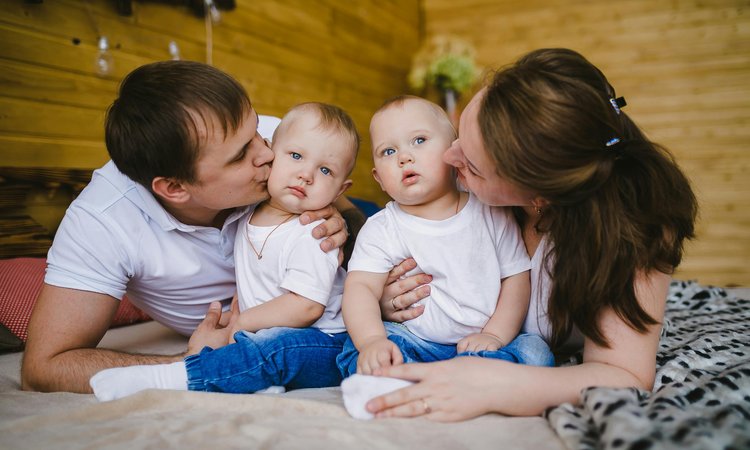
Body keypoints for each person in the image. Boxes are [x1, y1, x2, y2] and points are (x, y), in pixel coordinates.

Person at [364, 48, 698, 421]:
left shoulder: (639, 228)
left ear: (538, 197)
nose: (448, 157)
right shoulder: (465, 187)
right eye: (460, 136)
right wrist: (382, 296)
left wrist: (494, 385)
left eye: (471, 166)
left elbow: (626, 374)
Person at [20, 61, 361, 394]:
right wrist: (196, 361)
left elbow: (352, 214)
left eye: (257, 129)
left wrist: (351, 242)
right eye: (242, 155)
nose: (268, 154)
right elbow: (44, 368)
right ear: (175, 189)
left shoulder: (277, 141)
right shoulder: (103, 222)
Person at [89, 102, 360, 400]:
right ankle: (250, 376)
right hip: (266, 332)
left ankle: (175, 377)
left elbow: (307, 307)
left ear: (339, 190)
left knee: (277, 352)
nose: (305, 175)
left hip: (326, 339)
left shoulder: (314, 233)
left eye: (324, 170)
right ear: (272, 154)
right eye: (295, 156)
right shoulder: (245, 213)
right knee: (260, 350)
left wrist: (242, 321)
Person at [336, 96, 553, 387]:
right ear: (379, 179)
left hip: (485, 346)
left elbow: (515, 279)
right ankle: (432, 381)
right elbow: (360, 288)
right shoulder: (381, 229)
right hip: (416, 341)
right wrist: (372, 340)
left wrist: (495, 336)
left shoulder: (490, 212)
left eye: (419, 140)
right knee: (357, 349)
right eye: (388, 151)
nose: (404, 157)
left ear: (453, 152)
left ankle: (448, 381)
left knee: (536, 352)